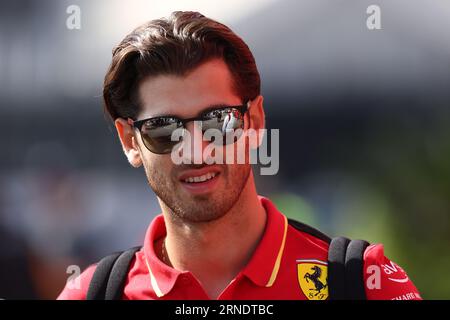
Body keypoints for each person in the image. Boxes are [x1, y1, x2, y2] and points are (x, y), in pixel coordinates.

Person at [58, 11, 421, 300]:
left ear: (255, 121)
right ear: (130, 141)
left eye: (218, 121)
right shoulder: (90, 293)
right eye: (164, 128)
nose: (196, 149)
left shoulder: (365, 284)